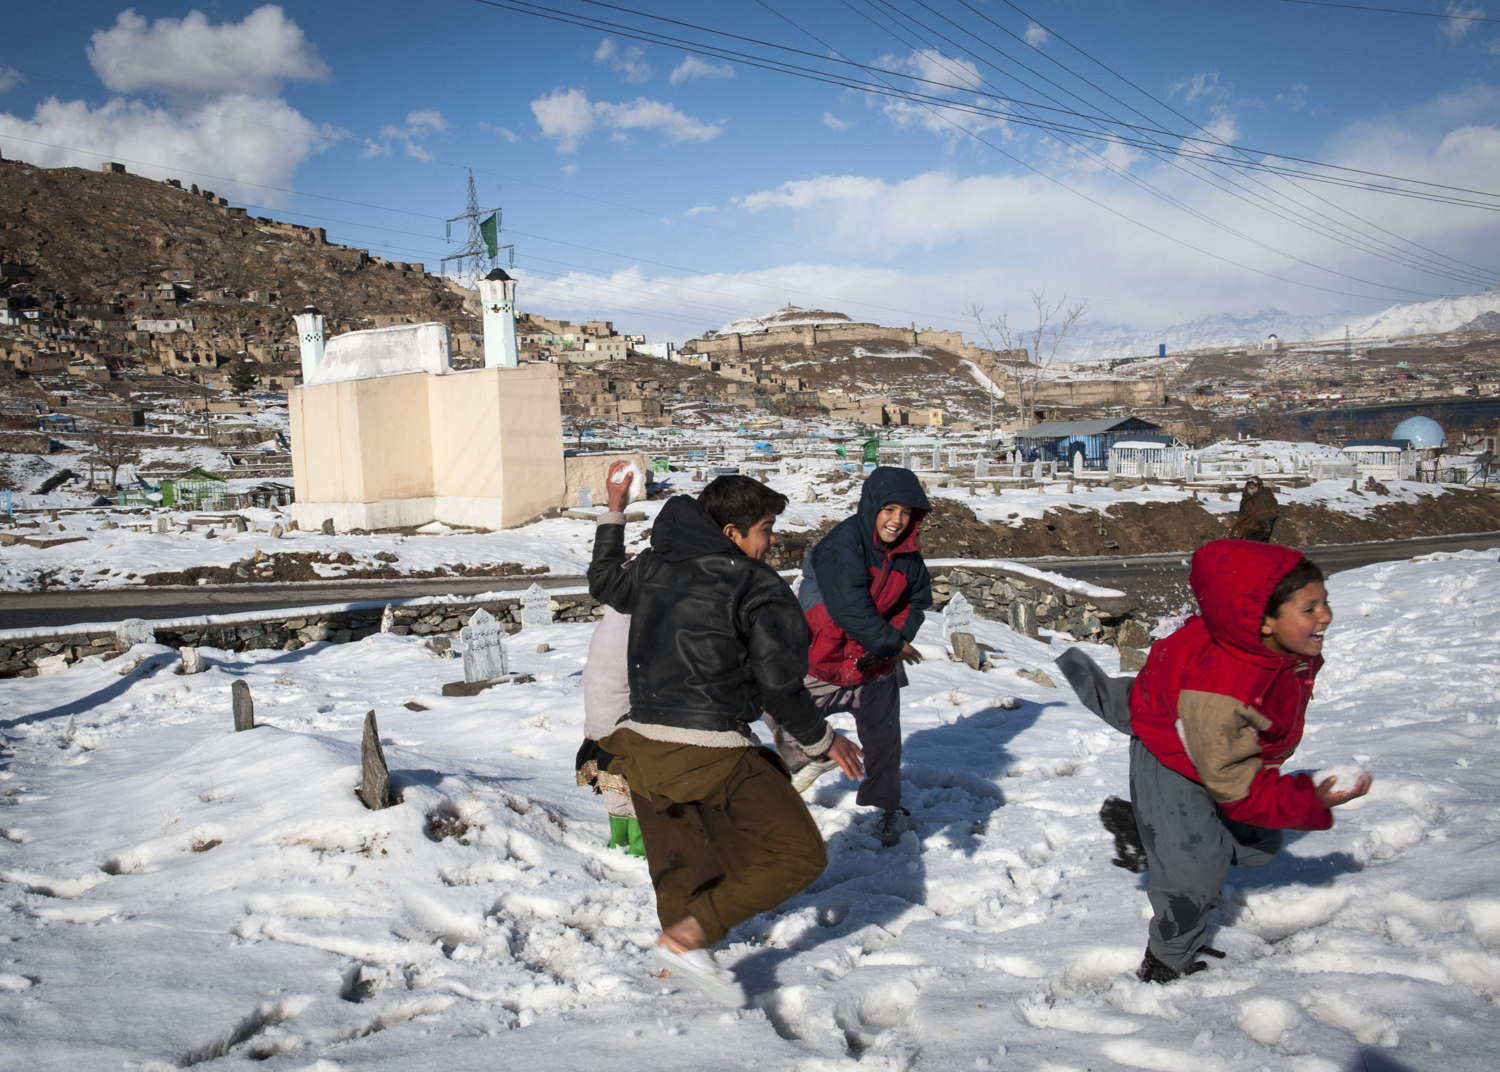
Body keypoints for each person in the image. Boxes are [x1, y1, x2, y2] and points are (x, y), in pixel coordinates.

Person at [588, 467, 863, 1007]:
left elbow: (603, 583)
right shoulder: (755, 585)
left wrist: (613, 509)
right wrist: (821, 739)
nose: (773, 539)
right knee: (799, 854)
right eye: (765, 527)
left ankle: (680, 959)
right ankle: (689, 937)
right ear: (732, 533)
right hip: (710, 745)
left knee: (678, 863)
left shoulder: (653, 567)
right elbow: (778, 685)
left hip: (640, 746)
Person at [1058, 539, 1372, 984]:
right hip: (1177, 758)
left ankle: (1147, 830)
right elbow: (1235, 783)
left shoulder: (1266, 642)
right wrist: (1312, 799)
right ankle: (1165, 962)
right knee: (1194, 872)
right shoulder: (1221, 689)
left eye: (1324, 602)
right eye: (1309, 608)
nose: (1325, 616)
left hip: (1211, 743)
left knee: (1255, 843)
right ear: (1264, 621)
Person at [764, 466, 931, 846]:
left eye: (906, 513)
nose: (897, 521)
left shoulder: (907, 556)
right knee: (782, 713)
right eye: (890, 510)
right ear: (872, 506)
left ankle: (887, 807)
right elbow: (849, 608)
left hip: (874, 665)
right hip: (824, 658)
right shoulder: (843, 546)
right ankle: (810, 760)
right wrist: (894, 643)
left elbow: (917, 599)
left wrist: (898, 636)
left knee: (883, 740)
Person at [575, 606, 644, 857]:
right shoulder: (635, 632)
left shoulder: (603, 630)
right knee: (636, 786)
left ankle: (618, 838)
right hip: (626, 728)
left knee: (612, 785)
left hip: (598, 728)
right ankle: (639, 845)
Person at [1231, 476, 1279, 541]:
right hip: (1248, 526)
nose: (1251, 487)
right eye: (1250, 485)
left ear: (1258, 485)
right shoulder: (1246, 497)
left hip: (1262, 526)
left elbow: (1270, 510)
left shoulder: (1265, 494)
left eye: (1253, 485)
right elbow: (1242, 512)